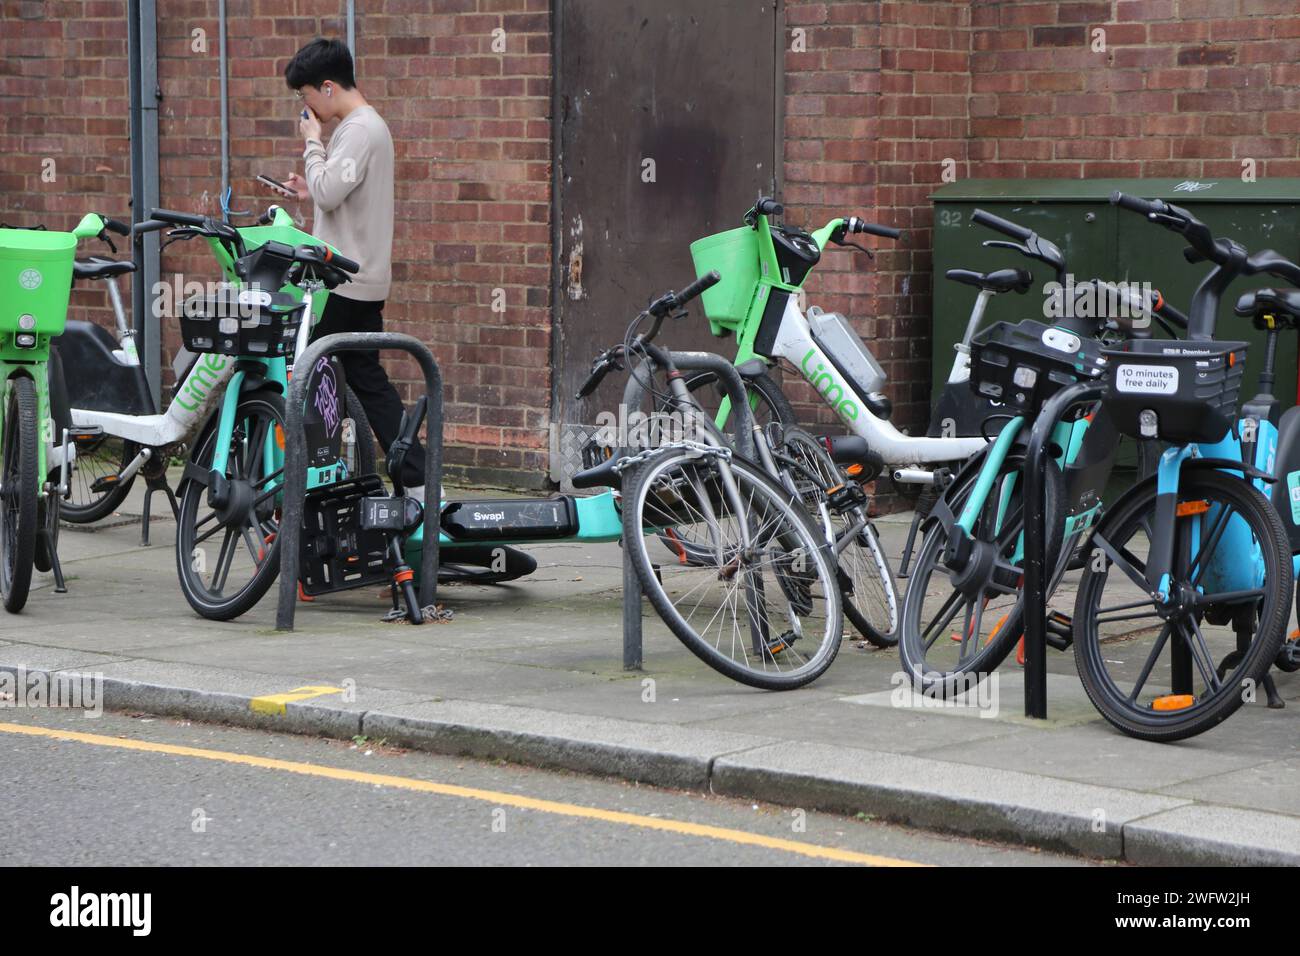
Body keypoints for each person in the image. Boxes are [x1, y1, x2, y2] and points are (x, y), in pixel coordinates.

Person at [271, 37, 426, 495]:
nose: (307, 108)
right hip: (364, 279)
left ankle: (311, 484)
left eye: (305, 96)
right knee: (366, 382)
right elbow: (338, 193)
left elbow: (328, 192)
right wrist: (308, 188)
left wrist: (312, 145)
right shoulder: (367, 128)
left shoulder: (358, 129)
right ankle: (414, 482)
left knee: (308, 375)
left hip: (342, 283)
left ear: (327, 86)